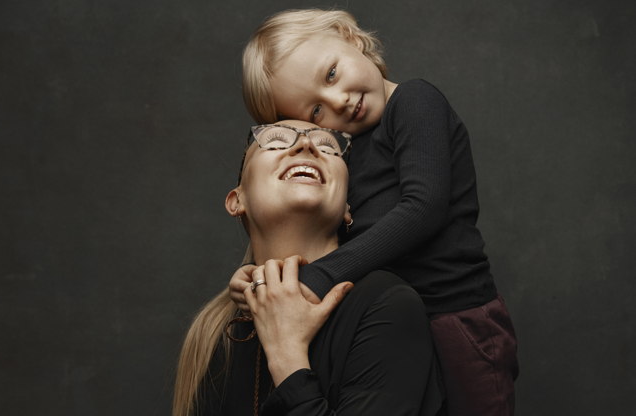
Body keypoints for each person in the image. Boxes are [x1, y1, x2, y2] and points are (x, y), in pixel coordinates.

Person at [230, 9, 519, 416]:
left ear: (350, 37)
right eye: (315, 112)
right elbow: (328, 234)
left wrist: (318, 276)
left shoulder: (415, 102)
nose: (339, 101)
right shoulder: (344, 151)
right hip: (392, 326)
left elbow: (423, 209)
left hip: (457, 321)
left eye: (331, 74)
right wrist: (263, 278)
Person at [173, 120, 443, 416]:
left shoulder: (386, 303)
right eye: (275, 141)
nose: (306, 145)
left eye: (328, 146)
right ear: (237, 200)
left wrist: (287, 357)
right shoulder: (212, 332)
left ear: (347, 208)